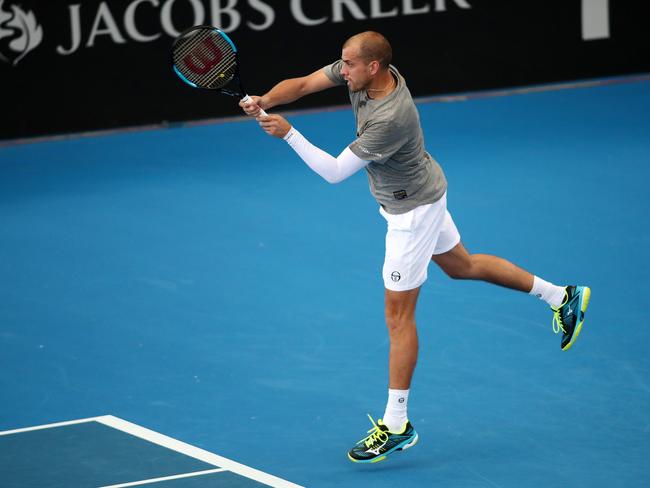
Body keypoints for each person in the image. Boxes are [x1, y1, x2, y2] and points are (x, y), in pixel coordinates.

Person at [239, 31, 591, 464]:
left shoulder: (391, 117)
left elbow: (333, 172)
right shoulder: (368, 73)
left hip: (412, 215)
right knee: (461, 265)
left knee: (398, 317)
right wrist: (265, 100)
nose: (340, 69)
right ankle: (562, 295)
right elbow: (305, 84)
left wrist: (289, 134)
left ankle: (397, 424)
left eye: (348, 65)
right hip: (426, 189)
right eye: (342, 63)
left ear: (373, 67)